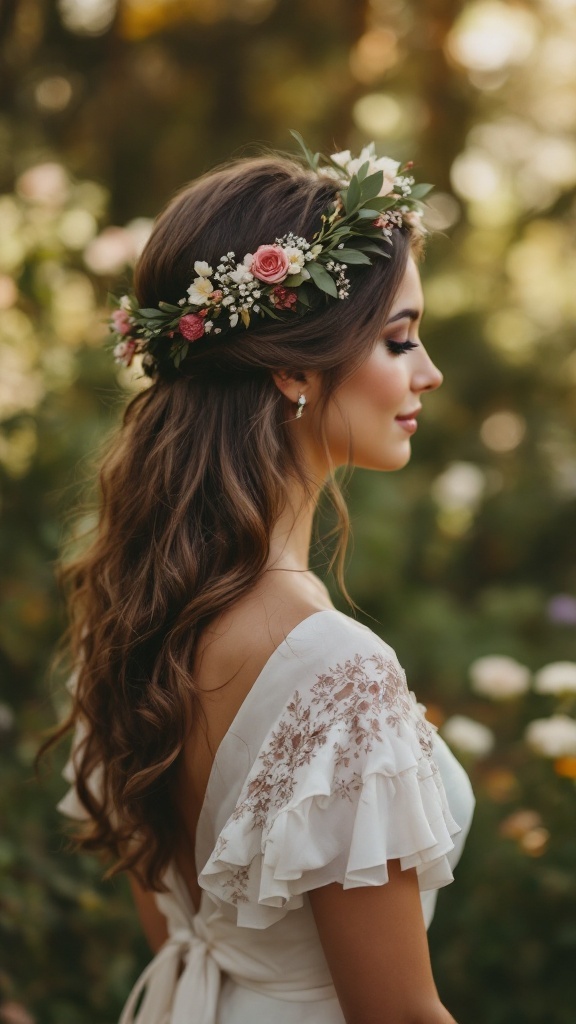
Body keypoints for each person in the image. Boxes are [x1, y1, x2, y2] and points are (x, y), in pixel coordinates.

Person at [45, 136, 475, 1024]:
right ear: (289, 366)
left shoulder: (132, 619)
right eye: (398, 339)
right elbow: (397, 1013)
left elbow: (174, 932)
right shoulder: (335, 670)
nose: (428, 372)